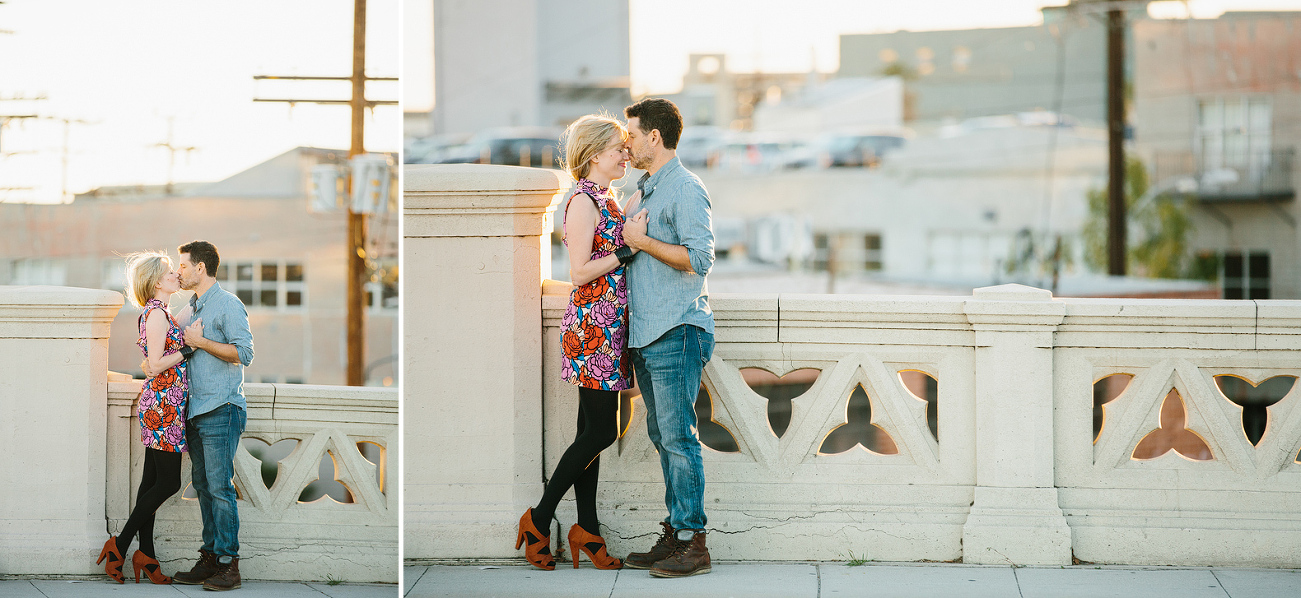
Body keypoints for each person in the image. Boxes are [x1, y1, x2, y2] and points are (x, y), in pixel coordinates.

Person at [516, 114, 636, 571]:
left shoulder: (606, 198)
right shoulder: (583, 201)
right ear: (592, 155)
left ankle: (587, 528)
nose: (626, 155)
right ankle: (539, 518)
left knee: (594, 431)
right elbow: (580, 271)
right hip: (593, 327)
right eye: (618, 149)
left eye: (627, 148)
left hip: (612, 327)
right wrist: (630, 248)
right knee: (604, 431)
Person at [619, 98, 717, 578]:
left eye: (632, 133)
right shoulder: (646, 190)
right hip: (650, 332)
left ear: (654, 137)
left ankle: (691, 543)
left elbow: (699, 259)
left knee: (679, 437)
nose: (626, 141)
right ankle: (675, 532)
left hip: (677, 330)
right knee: (663, 435)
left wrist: (640, 242)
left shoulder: (686, 189)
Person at [152, 240, 254, 591]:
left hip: (221, 408)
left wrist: (202, 342)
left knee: (221, 488)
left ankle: (229, 564)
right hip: (193, 413)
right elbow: (164, 334)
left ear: (201, 267)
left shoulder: (228, 304)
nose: (179, 271)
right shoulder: (191, 307)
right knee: (205, 488)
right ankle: (210, 558)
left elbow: (245, 353)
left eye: (183, 265)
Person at [98, 251, 189, 585]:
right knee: (169, 483)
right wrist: (190, 348)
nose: (175, 275)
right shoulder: (155, 314)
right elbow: (154, 364)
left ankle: (146, 555)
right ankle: (119, 545)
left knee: (151, 482)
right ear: (154, 281)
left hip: (168, 405)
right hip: (163, 406)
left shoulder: (163, 313)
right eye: (169, 272)